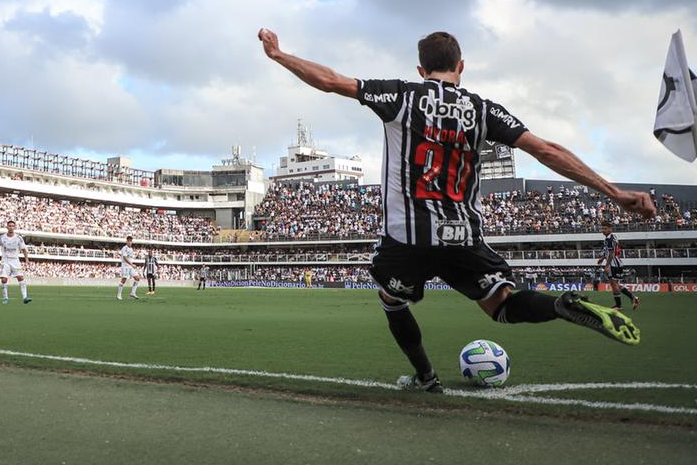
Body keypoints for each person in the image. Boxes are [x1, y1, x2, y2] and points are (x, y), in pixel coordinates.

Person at [258, 28, 655, 393]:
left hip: (408, 238)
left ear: (421, 68)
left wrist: (279, 55)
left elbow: (329, 81)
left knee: (392, 300)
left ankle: (426, 377)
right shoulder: (483, 111)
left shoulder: (400, 96)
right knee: (502, 305)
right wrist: (613, 192)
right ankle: (560, 305)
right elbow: (547, 150)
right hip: (462, 235)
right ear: (461, 67)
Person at [598, 223, 638, 310]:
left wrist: (607, 265)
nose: (603, 230)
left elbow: (612, 253)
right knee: (615, 284)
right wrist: (602, 258)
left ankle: (618, 305)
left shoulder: (610, 239)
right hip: (616, 263)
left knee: (614, 284)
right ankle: (632, 298)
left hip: (614, 264)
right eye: (602, 229)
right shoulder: (611, 238)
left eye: (605, 228)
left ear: (610, 229)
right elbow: (608, 252)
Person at [0, 220, 31, 304]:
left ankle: (25, 297)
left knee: (20, 277)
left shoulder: (18, 238)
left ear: (15, 227)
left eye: (12, 226)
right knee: (4, 279)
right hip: (5, 260)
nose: (11, 227)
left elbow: (24, 249)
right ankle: (5, 298)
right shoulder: (2, 237)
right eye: (9, 226)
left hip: (15, 260)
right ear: (7, 227)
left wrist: (26, 259)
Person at [117, 236, 140, 300]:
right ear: (126, 241)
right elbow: (125, 258)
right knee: (124, 279)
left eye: (131, 241)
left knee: (137, 278)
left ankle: (132, 293)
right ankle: (119, 295)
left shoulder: (131, 249)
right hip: (125, 265)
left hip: (130, 266)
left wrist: (131, 264)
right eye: (129, 241)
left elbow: (128, 257)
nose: (130, 242)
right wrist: (132, 264)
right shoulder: (125, 248)